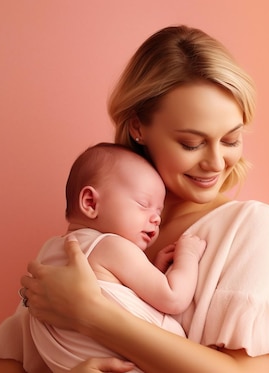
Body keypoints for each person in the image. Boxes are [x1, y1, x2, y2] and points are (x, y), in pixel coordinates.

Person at [0, 25, 269, 373]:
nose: (215, 162)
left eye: (230, 140)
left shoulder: (248, 227)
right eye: (191, 143)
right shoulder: (93, 231)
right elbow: (11, 359)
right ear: (138, 127)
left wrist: (93, 315)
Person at [20, 142, 206, 373]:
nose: (156, 219)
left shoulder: (48, 253)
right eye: (143, 204)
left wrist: (150, 270)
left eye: (158, 211)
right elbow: (173, 298)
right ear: (90, 203)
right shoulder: (110, 245)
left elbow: (111, 293)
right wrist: (188, 254)